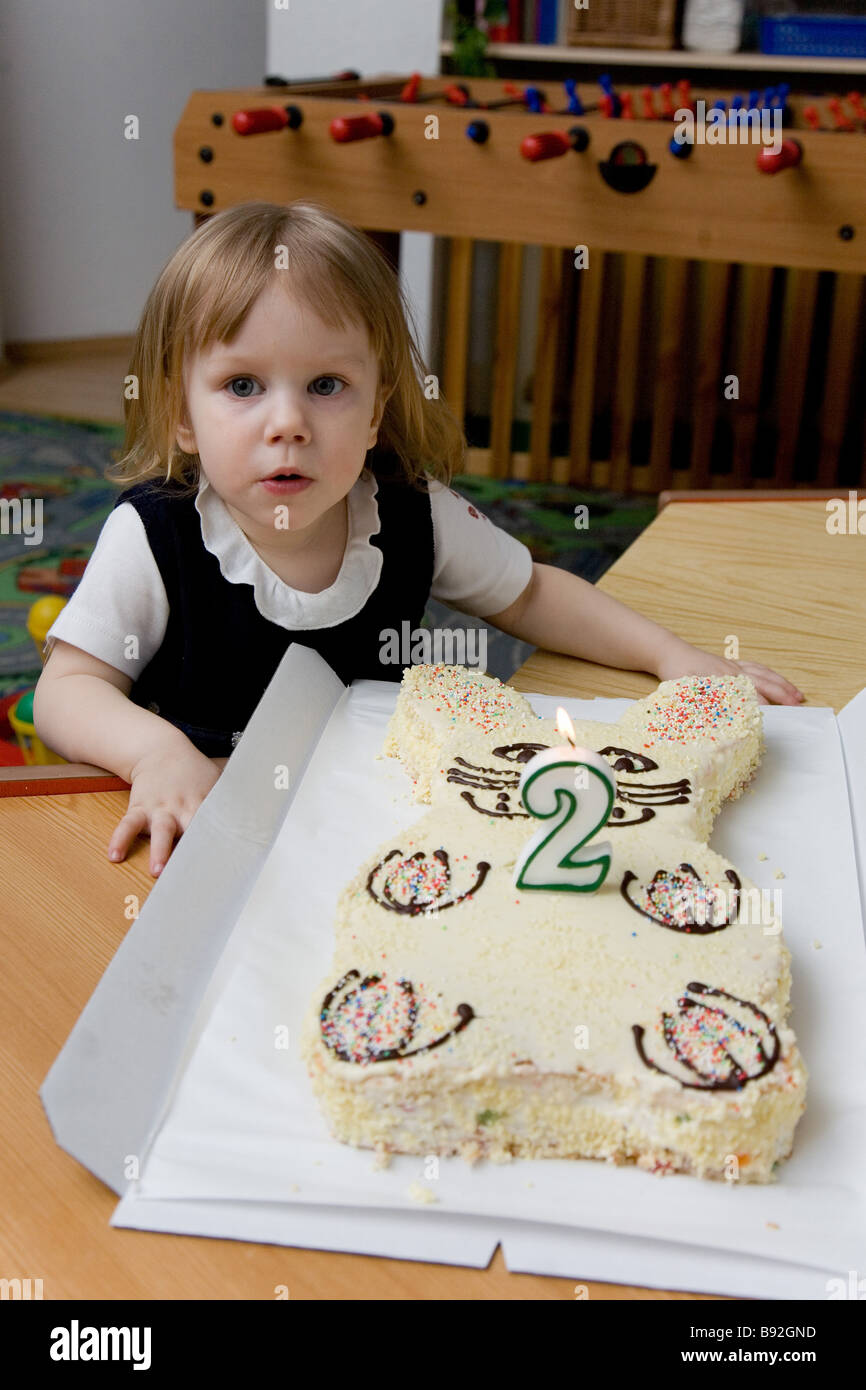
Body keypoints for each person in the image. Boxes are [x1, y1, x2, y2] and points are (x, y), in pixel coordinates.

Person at [33, 200, 803, 879]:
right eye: (242, 386)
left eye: (327, 386)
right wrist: (156, 752)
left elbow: (530, 592)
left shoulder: (410, 512)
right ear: (180, 414)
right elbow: (65, 693)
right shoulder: (153, 534)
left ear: (375, 413)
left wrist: (671, 657)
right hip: (191, 825)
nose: (289, 423)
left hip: (362, 816)